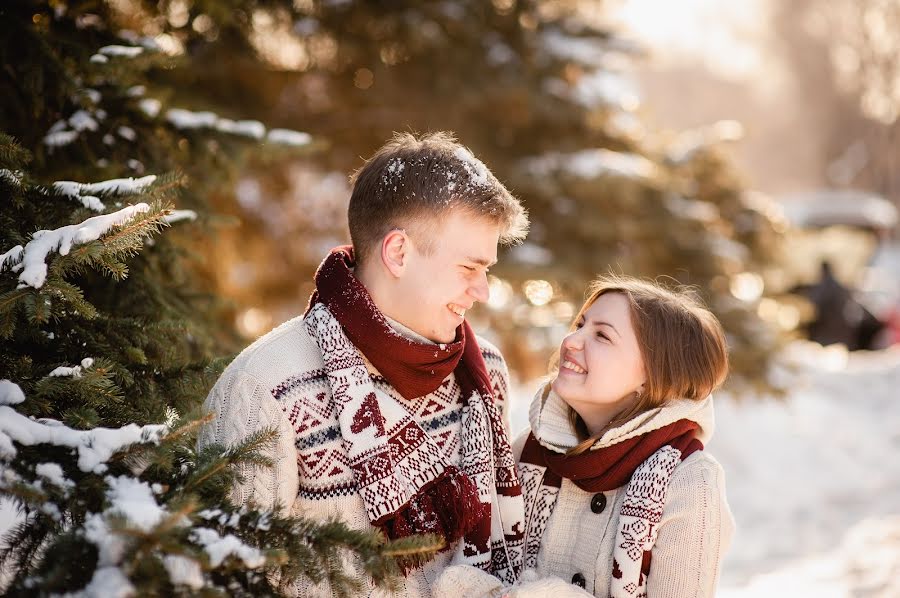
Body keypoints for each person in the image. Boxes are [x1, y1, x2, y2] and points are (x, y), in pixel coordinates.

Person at [199, 132, 529, 596]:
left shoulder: (484, 372)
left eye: (487, 270)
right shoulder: (264, 388)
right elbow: (234, 580)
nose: (483, 291)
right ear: (398, 253)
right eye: (468, 268)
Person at [515, 275, 734, 597]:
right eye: (579, 325)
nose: (571, 342)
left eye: (602, 336)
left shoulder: (689, 480)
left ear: (653, 376)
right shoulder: (530, 449)